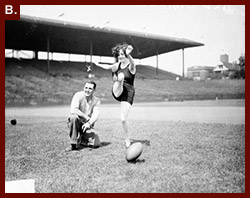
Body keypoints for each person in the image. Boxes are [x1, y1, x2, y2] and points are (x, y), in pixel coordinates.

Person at [96, 43, 136, 148]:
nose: (120, 56)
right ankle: (118, 79)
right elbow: (107, 67)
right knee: (121, 76)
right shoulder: (117, 65)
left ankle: (127, 139)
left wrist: (129, 54)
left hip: (128, 92)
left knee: (123, 119)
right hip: (117, 89)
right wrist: (96, 63)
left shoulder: (131, 66)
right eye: (119, 55)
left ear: (126, 54)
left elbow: (133, 63)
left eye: (122, 54)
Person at [66, 80, 101, 151]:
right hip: (76, 122)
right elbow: (74, 110)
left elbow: (95, 116)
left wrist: (89, 123)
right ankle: (73, 144)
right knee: (73, 117)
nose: (87, 90)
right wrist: (87, 117)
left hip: (87, 125)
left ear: (94, 90)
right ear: (83, 88)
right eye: (86, 88)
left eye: (90, 88)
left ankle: (82, 139)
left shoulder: (96, 100)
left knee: (96, 144)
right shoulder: (78, 95)